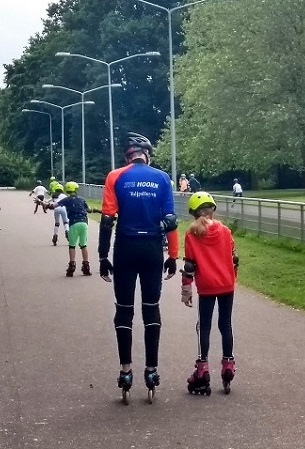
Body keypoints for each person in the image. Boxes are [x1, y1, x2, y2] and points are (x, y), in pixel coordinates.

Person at [98, 132, 179, 404]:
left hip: (125, 247)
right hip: (152, 249)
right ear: (147, 155)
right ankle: (152, 371)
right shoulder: (162, 178)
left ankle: (125, 371)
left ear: (127, 156)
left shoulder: (115, 176)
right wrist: (174, 255)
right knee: (150, 308)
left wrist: (101, 256)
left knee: (124, 310)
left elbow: (108, 219)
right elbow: (170, 220)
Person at [181, 192, 240, 395]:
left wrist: (186, 290)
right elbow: (235, 259)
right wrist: (233, 278)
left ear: (194, 213)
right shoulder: (225, 231)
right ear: (212, 210)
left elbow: (189, 265)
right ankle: (228, 365)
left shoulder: (192, 234)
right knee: (226, 324)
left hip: (206, 286)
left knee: (203, 326)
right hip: (226, 284)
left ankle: (202, 368)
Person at [44, 181, 98, 276]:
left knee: (72, 246)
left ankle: (72, 266)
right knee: (83, 245)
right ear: (76, 189)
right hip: (84, 224)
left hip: (74, 224)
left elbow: (53, 206)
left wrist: (45, 205)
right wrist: (99, 210)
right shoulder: (81, 199)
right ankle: (86, 266)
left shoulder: (66, 200)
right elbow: (89, 209)